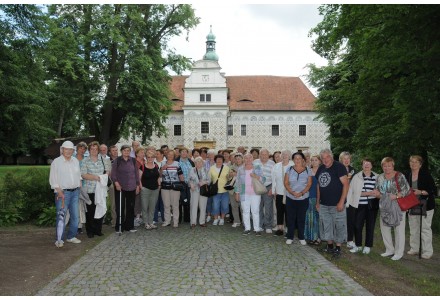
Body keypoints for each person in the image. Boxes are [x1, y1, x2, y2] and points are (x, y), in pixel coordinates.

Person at [373, 157, 411, 261]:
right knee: (385, 228)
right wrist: (376, 193)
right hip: (384, 206)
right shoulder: (380, 177)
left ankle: (399, 253)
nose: (387, 168)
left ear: (393, 166)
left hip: (398, 206)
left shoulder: (399, 176)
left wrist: (396, 196)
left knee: (399, 230)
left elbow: (407, 190)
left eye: (389, 165)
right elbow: (377, 191)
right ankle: (389, 250)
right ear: (382, 167)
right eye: (384, 166)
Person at [316, 148, 349, 258]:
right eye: (323, 158)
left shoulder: (339, 167)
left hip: (337, 204)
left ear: (332, 156)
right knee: (327, 225)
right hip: (324, 204)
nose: (325, 160)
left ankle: (338, 248)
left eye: (327, 157)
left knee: (339, 225)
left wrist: (341, 202)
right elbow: (318, 186)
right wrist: (317, 202)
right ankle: (330, 246)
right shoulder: (320, 168)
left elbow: (345, 184)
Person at [49, 140, 82, 247]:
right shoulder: (56, 162)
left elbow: (78, 175)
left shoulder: (75, 161)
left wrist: (79, 185)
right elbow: (53, 179)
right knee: (61, 217)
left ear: (73, 151)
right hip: (63, 193)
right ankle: (59, 239)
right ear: (62, 150)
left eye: (70, 149)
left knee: (76, 217)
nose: (68, 151)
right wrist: (58, 191)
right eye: (66, 149)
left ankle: (71, 237)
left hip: (75, 192)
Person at [405, 155, 437, 259]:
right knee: (413, 227)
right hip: (412, 205)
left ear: (420, 164)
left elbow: (433, 190)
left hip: (426, 205)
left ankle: (427, 251)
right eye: (411, 162)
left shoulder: (425, 174)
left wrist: (421, 192)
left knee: (425, 228)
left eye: (416, 162)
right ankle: (414, 249)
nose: (413, 164)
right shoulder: (408, 175)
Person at [347, 158, 378, 254]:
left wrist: (374, 193)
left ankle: (368, 246)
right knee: (357, 226)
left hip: (372, 206)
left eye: (369, 163)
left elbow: (380, 191)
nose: (366, 165)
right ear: (362, 166)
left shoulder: (377, 177)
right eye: (364, 163)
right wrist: (368, 193)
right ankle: (358, 245)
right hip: (359, 205)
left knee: (370, 226)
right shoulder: (357, 176)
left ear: (372, 166)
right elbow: (353, 191)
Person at [80, 141, 111, 238]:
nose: (94, 151)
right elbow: (83, 174)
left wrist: (104, 177)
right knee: (90, 210)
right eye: (92, 149)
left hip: (101, 189)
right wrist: (97, 177)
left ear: (98, 150)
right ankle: (90, 231)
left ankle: (98, 230)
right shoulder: (85, 161)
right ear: (89, 150)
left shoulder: (103, 159)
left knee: (100, 209)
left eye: (96, 149)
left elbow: (108, 171)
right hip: (90, 189)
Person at [111, 144, 141, 233]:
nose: (126, 152)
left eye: (128, 150)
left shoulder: (133, 160)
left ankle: (130, 226)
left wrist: (137, 185)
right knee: (120, 207)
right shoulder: (117, 160)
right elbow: (113, 174)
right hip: (120, 187)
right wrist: (116, 183)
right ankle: (119, 226)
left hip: (131, 186)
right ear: (122, 151)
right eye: (125, 150)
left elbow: (136, 173)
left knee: (130, 207)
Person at [284, 152, 312, 245]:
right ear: (293, 160)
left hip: (303, 198)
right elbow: (286, 183)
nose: (297, 160)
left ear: (303, 159)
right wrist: (292, 192)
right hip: (290, 197)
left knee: (301, 218)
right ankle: (290, 236)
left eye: (299, 158)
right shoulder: (289, 169)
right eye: (295, 158)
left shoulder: (308, 170)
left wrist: (301, 193)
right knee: (290, 218)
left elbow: (309, 184)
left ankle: (301, 237)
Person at [235, 153, 264, 235]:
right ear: (244, 159)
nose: (248, 160)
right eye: (246, 158)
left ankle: (257, 229)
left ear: (252, 159)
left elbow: (263, 179)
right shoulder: (241, 169)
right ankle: (247, 228)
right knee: (245, 211)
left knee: (255, 211)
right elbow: (238, 182)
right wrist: (237, 193)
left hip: (255, 192)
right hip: (244, 193)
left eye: (249, 158)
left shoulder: (257, 167)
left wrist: (256, 176)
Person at [271, 149, 293, 236]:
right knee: (279, 210)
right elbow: (274, 180)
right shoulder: (276, 166)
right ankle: (280, 228)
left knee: (289, 211)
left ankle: (288, 229)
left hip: (289, 192)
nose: (284, 156)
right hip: (279, 192)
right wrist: (274, 191)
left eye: (286, 154)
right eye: (283, 154)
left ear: (289, 156)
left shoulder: (293, 165)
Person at [160, 150, 184, 228]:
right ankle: (167, 221)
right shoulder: (163, 163)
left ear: (174, 156)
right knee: (166, 205)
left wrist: (182, 184)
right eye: (169, 154)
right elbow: (159, 175)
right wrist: (162, 169)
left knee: (175, 205)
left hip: (175, 187)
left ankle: (176, 222)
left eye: (172, 155)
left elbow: (181, 175)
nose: (170, 156)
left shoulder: (177, 164)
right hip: (165, 187)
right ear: (166, 155)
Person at [253, 148, 275, 233]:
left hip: (268, 187)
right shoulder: (255, 162)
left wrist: (272, 188)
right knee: (258, 207)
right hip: (258, 187)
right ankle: (260, 224)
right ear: (259, 155)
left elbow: (274, 177)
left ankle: (268, 225)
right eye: (262, 154)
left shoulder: (272, 163)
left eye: (265, 154)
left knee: (268, 207)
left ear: (268, 155)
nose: (264, 156)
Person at [339, 151, 356, 249]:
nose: (346, 160)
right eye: (344, 158)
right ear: (341, 160)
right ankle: (340, 239)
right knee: (339, 220)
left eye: (348, 158)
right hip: (339, 197)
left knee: (350, 220)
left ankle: (350, 240)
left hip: (350, 198)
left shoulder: (354, 170)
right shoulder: (337, 169)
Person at [140, 150, 160, 230]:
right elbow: (139, 179)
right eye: (148, 157)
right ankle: (145, 223)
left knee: (152, 207)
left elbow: (158, 177)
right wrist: (142, 188)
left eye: (152, 157)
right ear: (146, 157)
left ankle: (151, 222)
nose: (150, 158)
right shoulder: (142, 166)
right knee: (145, 207)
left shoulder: (156, 166)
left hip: (155, 189)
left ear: (154, 158)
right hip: (145, 189)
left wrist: (159, 185)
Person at [209, 154, 231, 225]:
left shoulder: (227, 168)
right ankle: (215, 219)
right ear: (215, 160)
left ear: (223, 160)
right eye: (217, 159)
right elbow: (210, 179)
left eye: (220, 159)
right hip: (216, 190)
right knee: (215, 205)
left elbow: (229, 178)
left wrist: (229, 176)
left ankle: (222, 218)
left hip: (225, 190)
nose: (219, 161)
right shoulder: (212, 168)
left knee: (224, 205)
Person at [304, 155, 321, 244]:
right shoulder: (308, 171)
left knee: (318, 218)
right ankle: (310, 237)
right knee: (310, 217)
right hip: (309, 196)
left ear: (319, 161)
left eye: (316, 160)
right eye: (312, 160)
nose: (314, 162)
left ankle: (318, 237)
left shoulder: (322, 171)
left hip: (320, 197)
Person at [188, 157, 209, 228]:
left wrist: (204, 182)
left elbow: (209, 181)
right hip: (194, 190)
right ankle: (193, 222)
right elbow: (189, 179)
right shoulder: (192, 170)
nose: (199, 163)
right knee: (193, 206)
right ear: (195, 163)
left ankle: (202, 222)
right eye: (197, 162)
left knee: (203, 206)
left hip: (203, 190)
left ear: (203, 163)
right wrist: (191, 184)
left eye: (200, 162)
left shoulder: (206, 170)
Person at [177, 147, 194, 223]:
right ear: (180, 153)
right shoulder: (176, 161)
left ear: (187, 153)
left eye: (185, 152)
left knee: (188, 201)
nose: (184, 153)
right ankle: (179, 218)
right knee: (180, 201)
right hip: (180, 184)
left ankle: (187, 218)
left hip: (189, 184)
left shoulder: (190, 161)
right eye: (182, 152)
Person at [230, 153, 244, 227]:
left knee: (243, 206)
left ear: (242, 159)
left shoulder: (245, 167)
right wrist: (230, 175)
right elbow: (227, 177)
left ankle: (245, 221)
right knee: (234, 206)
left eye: (239, 158)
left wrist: (238, 174)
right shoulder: (232, 167)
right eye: (236, 158)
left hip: (242, 188)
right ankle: (236, 221)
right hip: (233, 189)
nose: (237, 160)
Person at [153, 149, 166, 225]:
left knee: (163, 201)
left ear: (162, 155)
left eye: (157, 153)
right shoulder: (152, 162)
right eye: (155, 153)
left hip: (164, 183)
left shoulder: (165, 162)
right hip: (155, 184)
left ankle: (164, 218)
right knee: (155, 202)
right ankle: (155, 218)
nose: (156, 155)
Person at [134, 147, 146, 227]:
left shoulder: (145, 161)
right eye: (141, 152)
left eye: (143, 152)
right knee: (137, 201)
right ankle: (137, 218)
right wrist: (138, 185)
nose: (143, 154)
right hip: (137, 184)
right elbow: (134, 175)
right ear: (137, 153)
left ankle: (142, 216)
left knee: (143, 201)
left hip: (145, 184)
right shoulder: (134, 162)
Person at [108, 145, 119, 227]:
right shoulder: (107, 161)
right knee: (113, 204)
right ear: (110, 152)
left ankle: (122, 219)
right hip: (112, 183)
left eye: (116, 150)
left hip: (122, 183)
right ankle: (114, 221)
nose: (115, 152)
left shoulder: (121, 160)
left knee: (122, 203)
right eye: (113, 150)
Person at [204, 149, 216, 222]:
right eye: (210, 154)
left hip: (215, 184)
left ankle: (215, 215)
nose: (211, 156)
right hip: (207, 183)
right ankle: (208, 215)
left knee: (215, 201)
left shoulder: (217, 162)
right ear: (207, 155)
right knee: (208, 201)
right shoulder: (204, 163)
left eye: (212, 154)